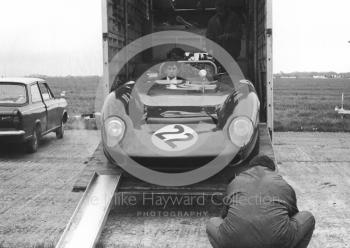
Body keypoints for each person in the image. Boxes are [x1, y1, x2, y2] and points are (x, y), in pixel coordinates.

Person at [206, 155, 315, 248]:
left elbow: (224, 215)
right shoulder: (282, 184)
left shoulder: (235, 182)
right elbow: (293, 214)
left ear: (250, 168)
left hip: (235, 240)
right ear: (272, 169)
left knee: (212, 222)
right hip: (276, 240)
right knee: (308, 217)